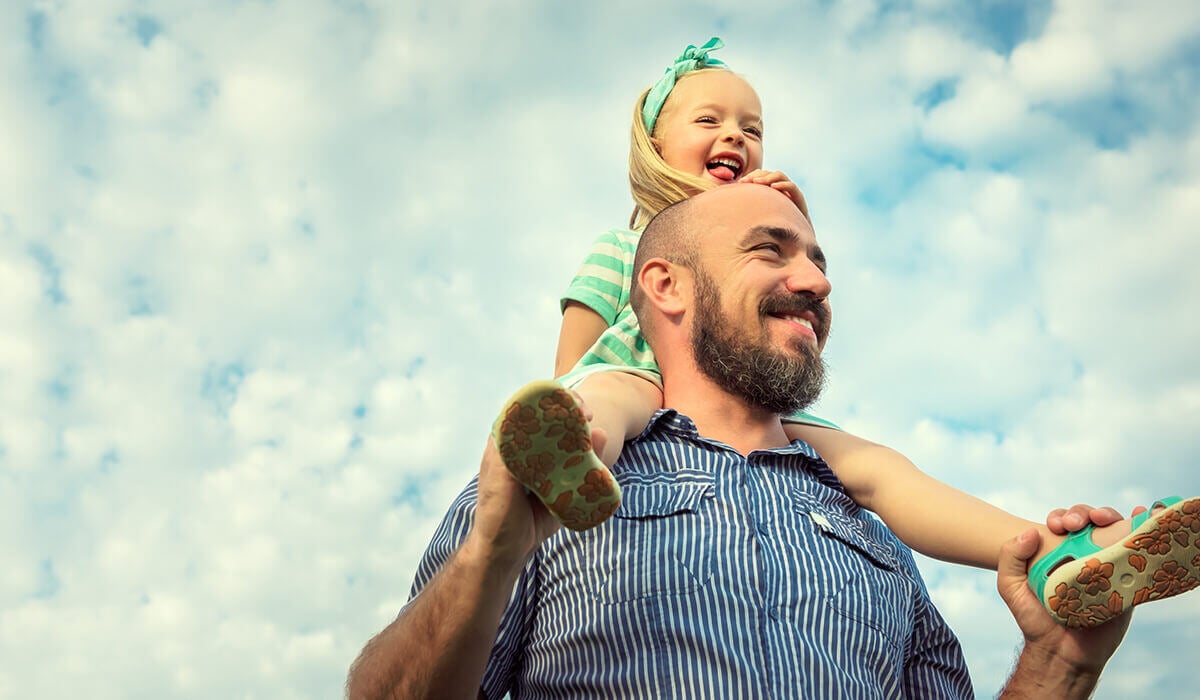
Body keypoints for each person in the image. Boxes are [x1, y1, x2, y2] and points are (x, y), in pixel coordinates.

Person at [493, 38, 1200, 628]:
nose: (735, 136)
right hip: (637, 382)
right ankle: (571, 461)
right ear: (653, 146)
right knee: (607, 399)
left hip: (754, 415)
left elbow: (778, 307)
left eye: (752, 126)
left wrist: (781, 227)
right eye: (708, 121)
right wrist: (568, 409)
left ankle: (1053, 551)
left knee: (880, 469)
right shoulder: (625, 247)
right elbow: (575, 360)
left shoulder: (768, 230)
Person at [346, 185, 1133, 699]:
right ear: (666, 285)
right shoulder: (550, 487)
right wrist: (489, 560)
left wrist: (1062, 663)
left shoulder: (877, 539)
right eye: (772, 250)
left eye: (819, 263)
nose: (818, 282)